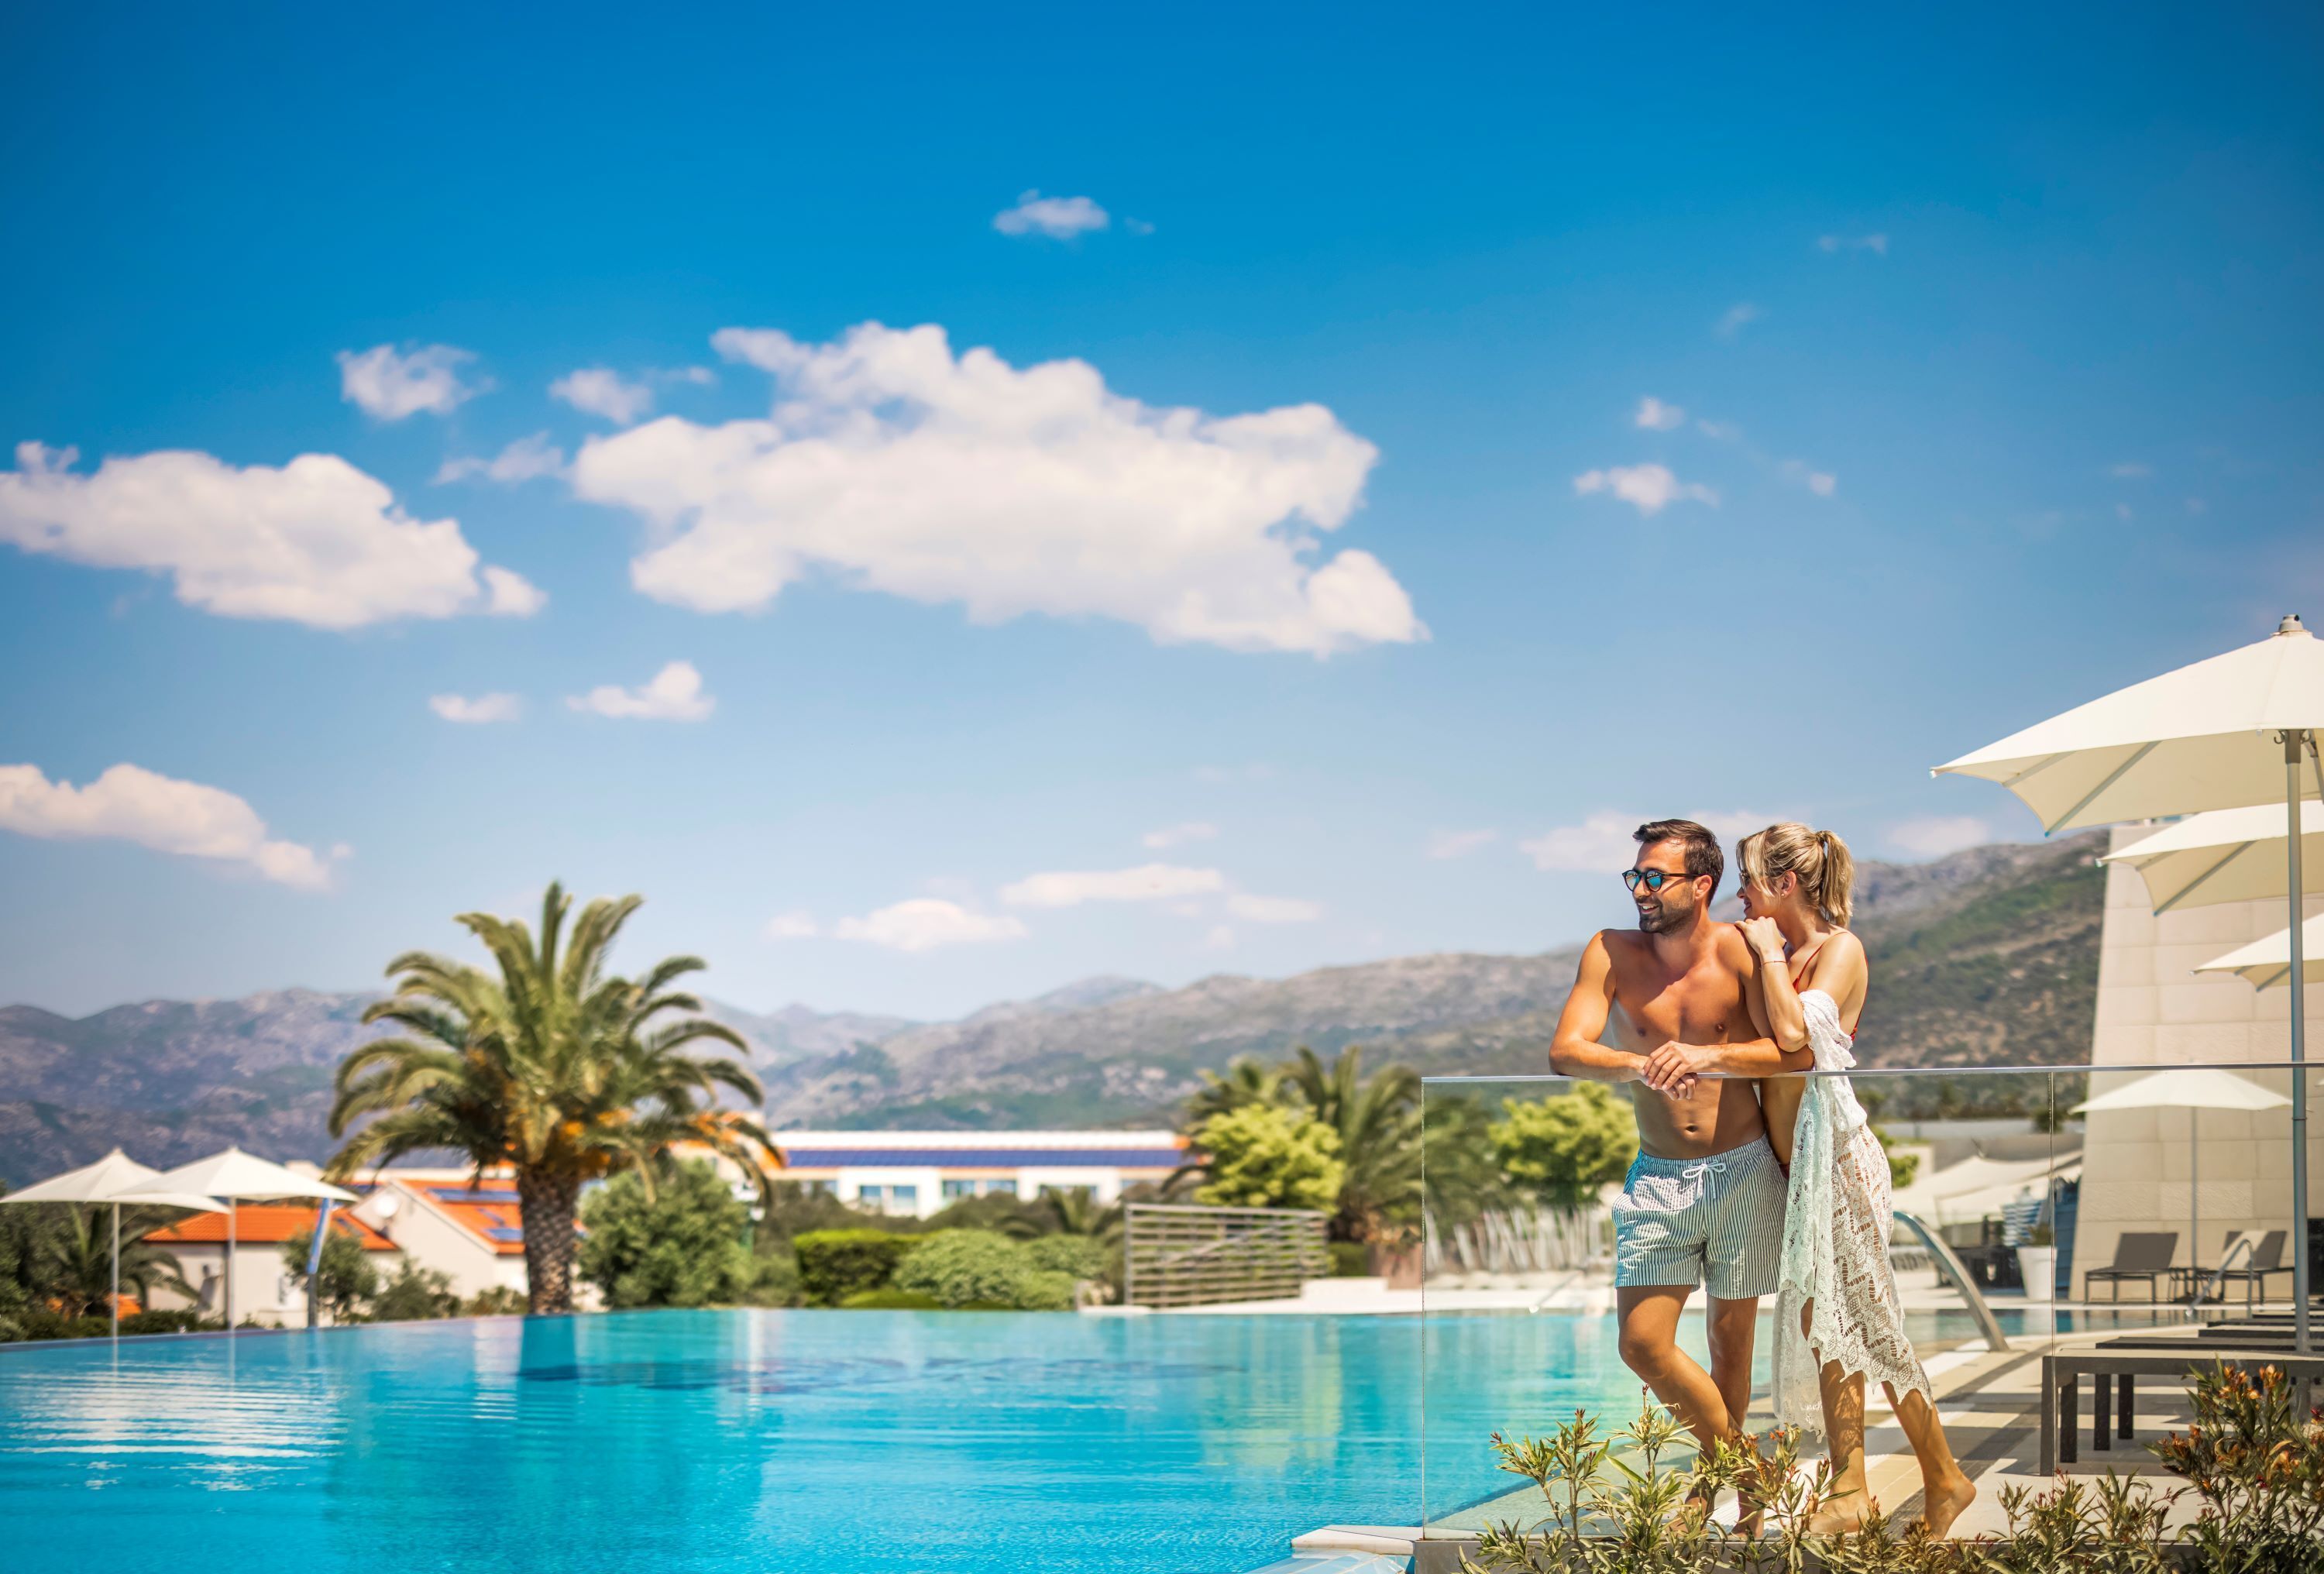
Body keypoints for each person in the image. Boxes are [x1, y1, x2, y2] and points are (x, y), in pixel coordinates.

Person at [1549, 819, 1804, 1493]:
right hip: (1658, 1176)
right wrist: (1637, 1065)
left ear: (1702, 884)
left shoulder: (1740, 951)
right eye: (1635, 876)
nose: (1640, 889)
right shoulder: (1608, 951)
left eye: (1654, 877)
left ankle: (1716, 1488)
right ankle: (1749, 1472)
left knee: (1731, 1344)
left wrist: (1707, 1054)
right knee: (1642, 1344)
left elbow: (1795, 1052)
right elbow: (1567, 1051)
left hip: (1745, 1168)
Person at [1737, 823, 1977, 1538]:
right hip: (1798, 1170)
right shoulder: (1769, 957)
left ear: (1783, 885)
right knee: (1827, 1327)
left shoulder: (1840, 950)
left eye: (1748, 881)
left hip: (1840, 1160)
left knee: (1871, 1324)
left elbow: (1791, 1039)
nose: (1739, 897)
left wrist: (1771, 956)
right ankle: (1857, 1487)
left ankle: (1940, 1477)